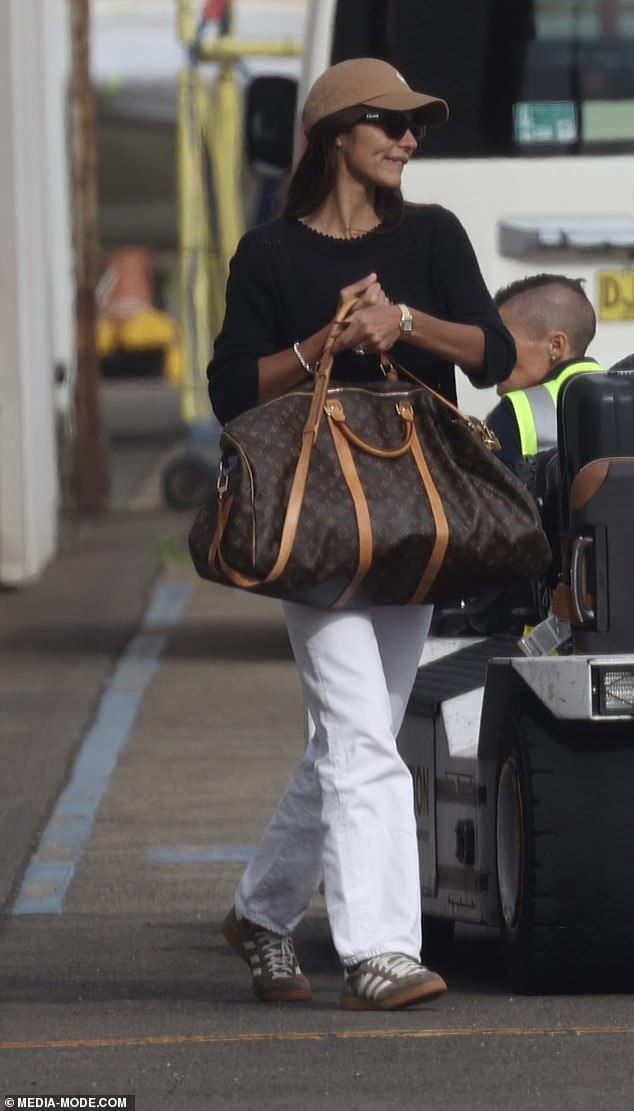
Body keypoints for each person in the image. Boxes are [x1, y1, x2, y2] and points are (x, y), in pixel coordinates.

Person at [207, 57, 515, 1011]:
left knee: (359, 736)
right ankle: (380, 948)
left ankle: (262, 913)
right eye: (388, 121)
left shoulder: (431, 236)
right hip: (316, 527)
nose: (407, 138)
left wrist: (403, 320)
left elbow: (496, 351)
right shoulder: (269, 255)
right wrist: (320, 349)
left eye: (415, 124)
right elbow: (227, 393)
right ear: (336, 134)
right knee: (359, 739)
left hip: (414, 518)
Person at [486, 274, 603, 471]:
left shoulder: (515, 412)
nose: (494, 353)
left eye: (505, 340)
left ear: (556, 346)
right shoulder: (626, 392)